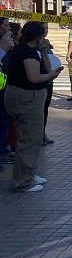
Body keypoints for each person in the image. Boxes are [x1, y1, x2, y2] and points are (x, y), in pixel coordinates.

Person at [3, 22, 63, 192]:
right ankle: (22, 181)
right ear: (38, 37)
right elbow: (35, 77)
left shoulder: (27, 50)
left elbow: (45, 67)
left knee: (29, 137)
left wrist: (44, 53)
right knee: (29, 139)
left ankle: (27, 173)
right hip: (27, 98)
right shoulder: (26, 53)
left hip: (26, 97)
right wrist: (52, 75)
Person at [0, 18, 15, 167]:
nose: (8, 28)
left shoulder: (7, 44)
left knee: (4, 121)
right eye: (5, 25)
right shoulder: (3, 46)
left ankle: (4, 150)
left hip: (4, 89)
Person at [39, 24, 56, 145]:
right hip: (41, 79)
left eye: (47, 28)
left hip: (49, 79)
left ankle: (43, 133)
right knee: (40, 109)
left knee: (45, 108)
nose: (46, 31)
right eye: (43, 28)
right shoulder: (36, 44)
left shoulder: (46, 42)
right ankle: (39, 135)